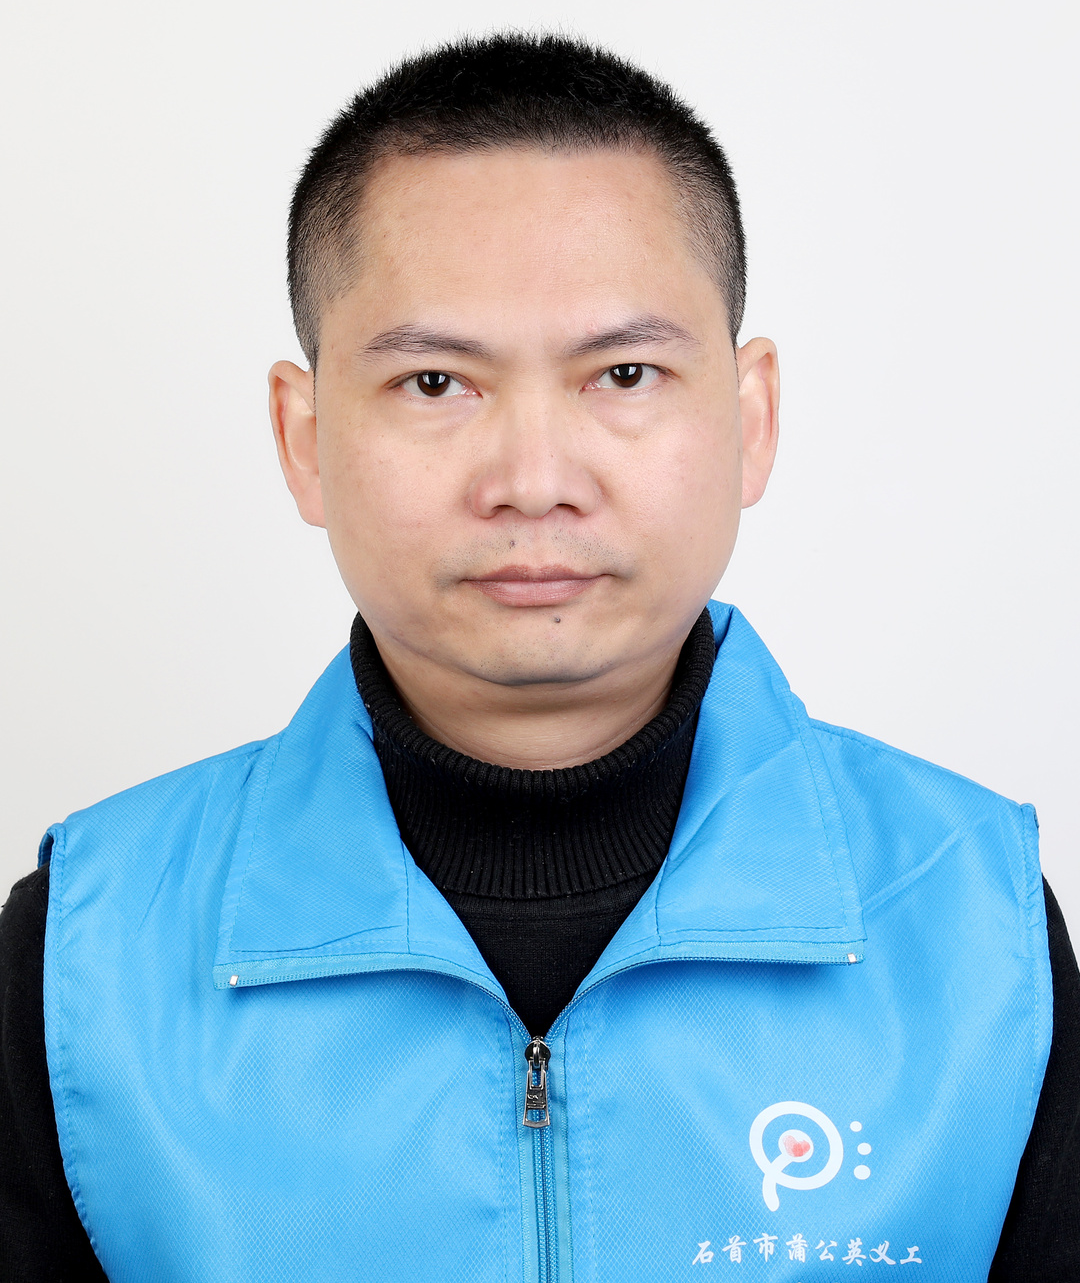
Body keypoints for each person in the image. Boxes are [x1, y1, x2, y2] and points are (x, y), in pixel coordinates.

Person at [0, 32, 1076, 1283]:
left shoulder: (974, 923)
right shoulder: (82, 958)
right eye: (435, 382)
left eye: (623, 372)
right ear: (303, 437)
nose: (534, 479)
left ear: (751, 417)